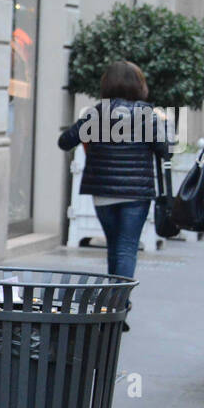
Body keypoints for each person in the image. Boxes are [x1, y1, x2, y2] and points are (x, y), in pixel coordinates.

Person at [58, 60, 171, 327]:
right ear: (139, 85)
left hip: (103, 193)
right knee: (126, 249)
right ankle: (118, 308)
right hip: (136, 193)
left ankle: (113, 306)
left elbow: (65, 142)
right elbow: (165, 150)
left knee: (116, 248)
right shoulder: (147, 114)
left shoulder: (97, 113)